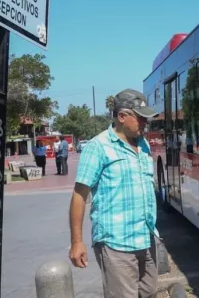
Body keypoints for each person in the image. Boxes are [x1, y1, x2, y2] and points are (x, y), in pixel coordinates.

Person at [68, 88, 160, 298]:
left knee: (149, 292)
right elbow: (79, 195)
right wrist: (76, 242)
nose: (145, 124)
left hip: (146, 237)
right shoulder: (98, 147)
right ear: (122, 116)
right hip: (116, 241)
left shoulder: (143, 144)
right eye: (141, 119)